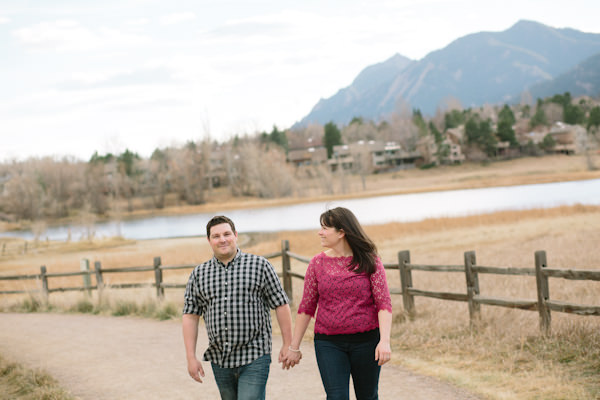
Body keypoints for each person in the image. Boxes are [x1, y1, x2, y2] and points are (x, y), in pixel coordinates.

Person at [283, 207, 393, 400]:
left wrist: (384, 341)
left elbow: (383, 304)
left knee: (368, 396)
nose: (320, 232)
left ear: (341, 232)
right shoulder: (317, 263)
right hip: (328, 343)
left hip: (367, 342)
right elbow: (306, 307)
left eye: (325, 228)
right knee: (336, 397)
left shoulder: (370, 261)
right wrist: (294, 347)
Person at [183, 215, 293, 400]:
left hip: (255, 354)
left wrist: (288, 344)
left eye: (227, 234)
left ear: (235, 235)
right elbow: (190, 316)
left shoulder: (260, 266)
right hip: (220, 359)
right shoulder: (199, 274)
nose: (222, 239)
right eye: (216, 236)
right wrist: (190, 357)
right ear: (209, 240)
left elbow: (281, 304)